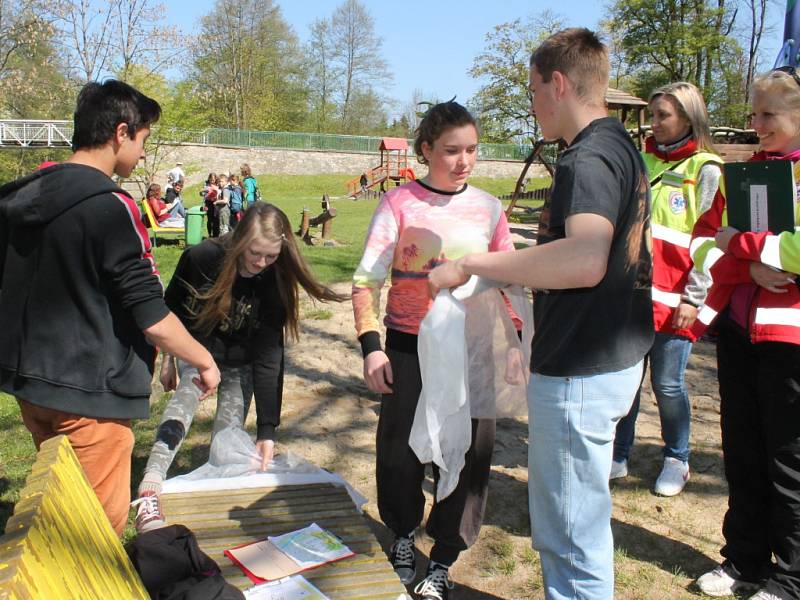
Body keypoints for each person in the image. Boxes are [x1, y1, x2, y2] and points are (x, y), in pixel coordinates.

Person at [429, 29, 653, 599]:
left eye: (533, 90)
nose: (531, 104)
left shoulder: (587, 156)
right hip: (608, 358)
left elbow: (584, 259)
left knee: (570, 534)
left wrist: (477, 263)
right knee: (576, 525)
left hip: (582, 368)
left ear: (558, 83)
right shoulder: (620, 145)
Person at [0, 80, 220, 536]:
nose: (142, 154)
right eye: (142, 141)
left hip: (32, 388)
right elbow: (151, 315)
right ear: (121, 133)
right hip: (90, 399)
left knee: (59, 514)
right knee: (94, 537)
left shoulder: (21, 197)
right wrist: (202, 358)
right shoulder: (109, 206)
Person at [352, 100, 516, 600]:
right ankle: (403, 535)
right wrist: (371, 348)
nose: (464, 160)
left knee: (467, 459)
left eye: (471, 149)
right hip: (407, 350)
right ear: (426, 150)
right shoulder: (398, 204)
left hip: (473, 355)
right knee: (400, 454)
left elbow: (507, 278)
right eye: (451, 150)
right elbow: (365, 282)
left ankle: (443, 557)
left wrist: (513, 342)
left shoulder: (490, 208)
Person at [135, 202, 345, 532]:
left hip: (240, 363)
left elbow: (268, 357)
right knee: (184, 402)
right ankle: (151, 481)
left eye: (271, 256)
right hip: (200, 350)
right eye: (254, 254)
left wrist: (267, 431)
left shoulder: (275, 279)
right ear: (239, 241)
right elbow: (169, 310)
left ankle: (212, 496)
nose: (261, 263)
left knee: (228, 434)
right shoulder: (203, 258)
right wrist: (169, 359)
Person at [691, 68, 800, 600]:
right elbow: (702, 244)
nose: (755, 124)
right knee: (743, 454)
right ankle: (744, 561)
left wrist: (745, 247)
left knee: (789, 463)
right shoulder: (743, 175)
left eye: (768, 115)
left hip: (791, 345)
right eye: (753, 114)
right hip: (738, 334)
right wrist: (746, 261)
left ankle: (791, 576)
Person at [610, 82, 722, 496]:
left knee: (669, 384)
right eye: (653, 115)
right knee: (627, 379)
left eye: (663, 116)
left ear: (689, 118)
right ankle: (619, 453)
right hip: (635, 296)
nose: (653, 125)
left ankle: (678, 457)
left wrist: (695, 297)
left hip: (677, 301)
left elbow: (710, 242)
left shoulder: (706, 169)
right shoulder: (643, 162)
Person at [202, 172, 220, 237]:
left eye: (213, 180)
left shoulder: (218, 185)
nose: (212, 181)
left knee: (216, 218)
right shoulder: (206, 184)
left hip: (215, 203)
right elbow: (203, 193)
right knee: (209, 219)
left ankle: (215, 234)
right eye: (210, 180)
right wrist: (203, 192)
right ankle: (209, 234)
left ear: (215, 179)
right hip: (208, 202)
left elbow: (219, 192)